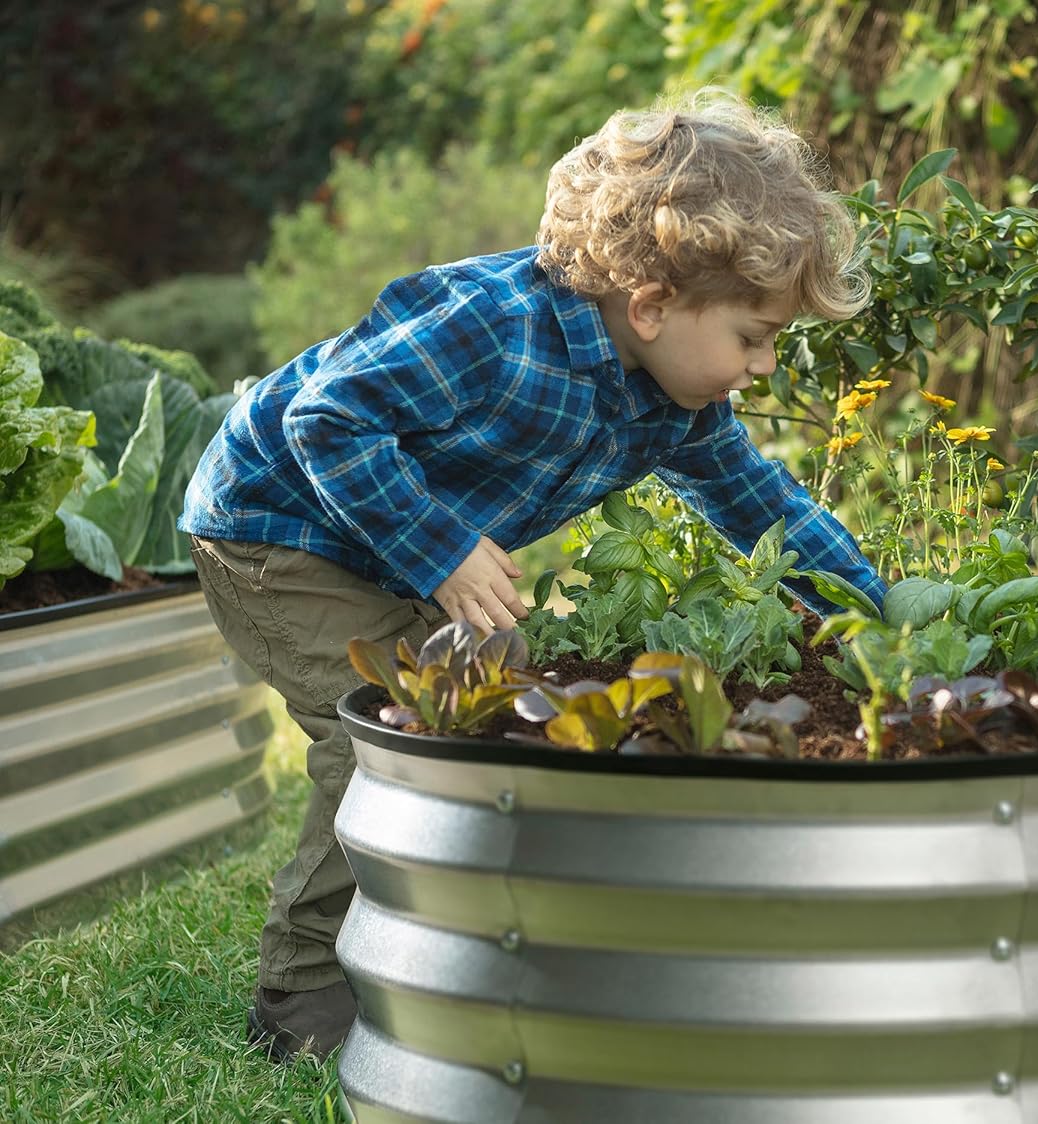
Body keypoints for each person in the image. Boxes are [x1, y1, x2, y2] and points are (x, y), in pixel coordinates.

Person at [179, 88, 887, 1063]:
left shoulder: (674, 404)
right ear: (652, 305)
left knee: (498, 691)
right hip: (275, 530)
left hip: (381, 536)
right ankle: (297, 990)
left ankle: (446, 939)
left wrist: (877, 613)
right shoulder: (490, 325)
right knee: (388, 737)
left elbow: (764, 508)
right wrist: (442, 549)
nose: (760, 367)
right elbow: (327, 422)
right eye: (753, 337)